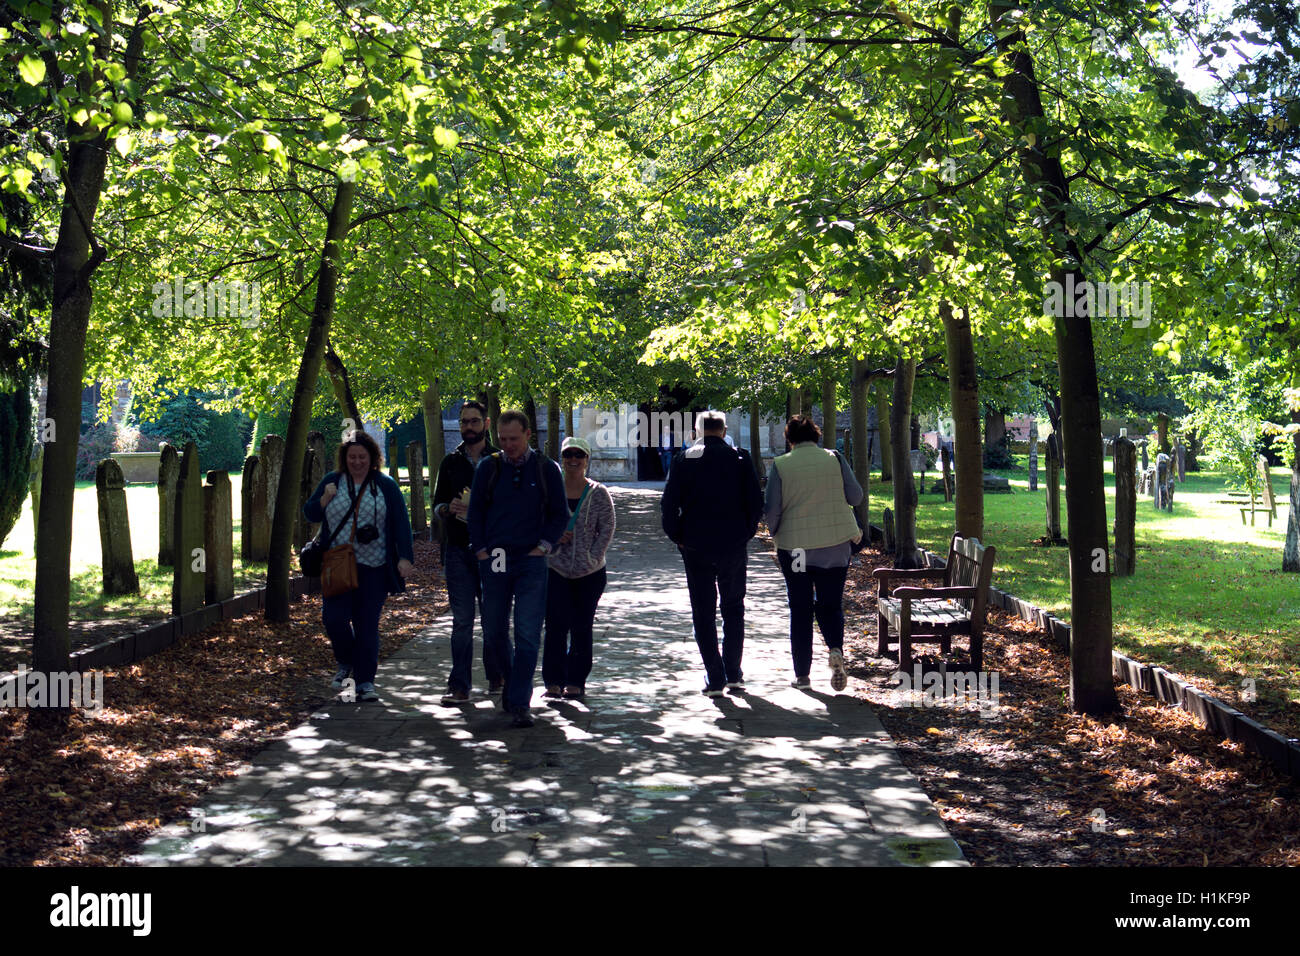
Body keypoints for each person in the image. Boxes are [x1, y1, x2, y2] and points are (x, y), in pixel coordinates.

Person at [467, 410, 567, 727]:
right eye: (503, 439)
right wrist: (481, 550)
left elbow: (559, 514)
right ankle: (512, 685)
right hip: (495, 555)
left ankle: (520, 702)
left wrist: (544, 546)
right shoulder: (489, 467)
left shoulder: (546, 468)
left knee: (527, 634)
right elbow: (476, 513)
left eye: (513, 438)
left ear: (527, 434)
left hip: (531, 559)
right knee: (495, 631)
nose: (508, 444)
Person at [304, 430, 415, 702]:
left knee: (366, 625)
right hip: (338, 564)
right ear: (344, 458)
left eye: (362, 457)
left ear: (372, 458)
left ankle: (365, 682)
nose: (357, 462)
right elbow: (310, 513)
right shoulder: (333, 482)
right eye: (352, 457)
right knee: (334, 618)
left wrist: (405, 557)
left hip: (374, 565)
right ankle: (346, 662)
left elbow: (401, 522)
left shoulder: (385, 485)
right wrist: (324, 499)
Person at [660, 410, 762, 697]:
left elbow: (669, 505)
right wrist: (746, 532)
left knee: (703, 612)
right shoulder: (740, 458)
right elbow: (755, 502)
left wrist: (678, 535)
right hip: (732, 543)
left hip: (696, 545)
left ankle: (714, 676)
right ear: (724, 429)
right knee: (733, 608)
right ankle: (734, 672)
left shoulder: (684, 460)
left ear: (696, 431)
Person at [764, 415, 863, 691]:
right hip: (835, 546)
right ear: (817, 436)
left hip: (796, 549)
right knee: (831, 604)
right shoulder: (835, 458)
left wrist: (775, 533)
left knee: (800, 607)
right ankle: (835, 648)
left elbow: (772, 509)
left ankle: (802, 675)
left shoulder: (782, 465)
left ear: (789, 439)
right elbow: (856, 497)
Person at [431, 400, 503, 705]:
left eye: (474, 422)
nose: (468, 427)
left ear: (486, 424)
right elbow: (436, 505)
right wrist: (448, 509)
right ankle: (459, 685)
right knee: (462, 621)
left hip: (494, 551)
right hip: (458, 549)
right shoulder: (450, 462)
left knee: (493, 618)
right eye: (463, 422)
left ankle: (496, 675)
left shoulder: (500, 460)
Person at [542, 437, 616, 701]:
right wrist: (552, 537)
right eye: (568, 454)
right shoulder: (550, 491)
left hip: (589, 573)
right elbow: (538, 522)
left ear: (587, 459)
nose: (573, 460)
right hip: (555, 568)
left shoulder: (598, 492)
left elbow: (607, 527)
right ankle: (553, 680)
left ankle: (576, 681)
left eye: (579, 455)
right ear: (562, 458)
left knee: (582, 626)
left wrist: (592, 556)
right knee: (555, 626)